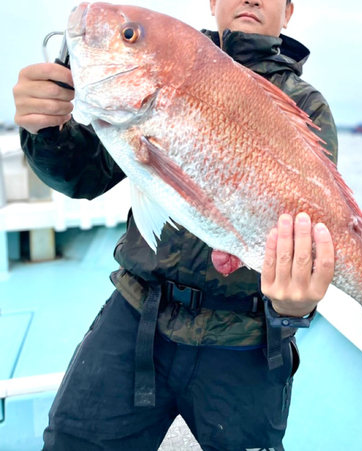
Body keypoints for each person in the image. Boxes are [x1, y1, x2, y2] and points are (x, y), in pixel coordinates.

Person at [13, 0, 338, 449]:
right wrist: (45, 128)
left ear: (288, 12)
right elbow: (81, 175)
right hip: (138, 312)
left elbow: (313, 229)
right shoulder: (163, 66)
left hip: (245, 337)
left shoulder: (305, 106)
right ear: (212, 3)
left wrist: (293, 309)